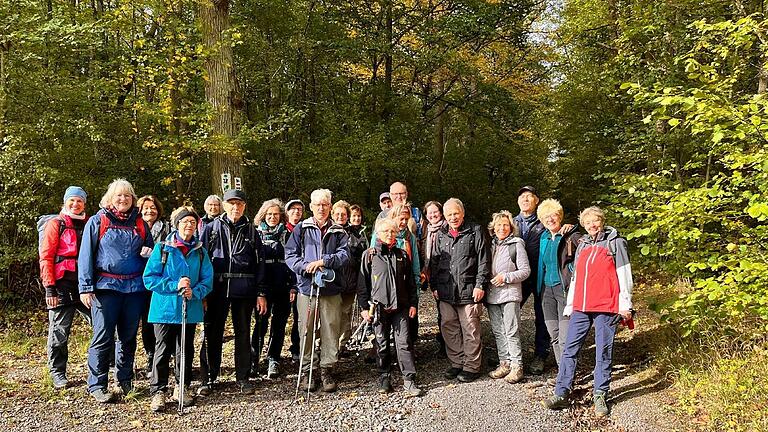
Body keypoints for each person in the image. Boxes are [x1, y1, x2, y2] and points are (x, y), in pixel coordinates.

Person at [543, 207, 633, 418]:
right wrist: (570, 304)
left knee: (603, 350)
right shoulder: (582, 244)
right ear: (584, 224)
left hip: (607, 306)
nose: (592, 225)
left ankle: (600, 393)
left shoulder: (615, 242)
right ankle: (561, 392)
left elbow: (624, 273)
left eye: (596, 221)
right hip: (582, 306)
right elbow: (576, 278)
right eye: (588, 222)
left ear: (602, 221)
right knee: (570, 348)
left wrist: (625, 304)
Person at [78, 179, 154, 403]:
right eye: (118, 196)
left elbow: (150, 254)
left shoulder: (140, 224)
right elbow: (85, 257)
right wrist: (85, 287)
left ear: (133, 200)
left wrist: (148, 253)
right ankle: (97, 384)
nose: (123, 199)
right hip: (105, 288)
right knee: (103, 337)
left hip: (134, 289)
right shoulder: (97, 221)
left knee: (128, 337)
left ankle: (125, 380)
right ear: (110, 199)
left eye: (127, 196)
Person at [144, 207, 213, 412]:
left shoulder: (201, 252)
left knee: (185, 350)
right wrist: (175, 285)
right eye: (185, 222)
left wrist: (196, 291)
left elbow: (207, 280)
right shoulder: (162, 248)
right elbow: (149, 279)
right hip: (164, 309)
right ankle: (158, 391)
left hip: (189, 309)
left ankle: (182, 386)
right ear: (177, 224)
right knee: (162, 350)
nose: (189, 225)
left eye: (193, 222)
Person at [198, 189, 267, 395]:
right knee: (212, 333)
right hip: (216, 290)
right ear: (224, 205)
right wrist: (202, 292)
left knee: (243, 333)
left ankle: (243, 377)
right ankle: (208, 377)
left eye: (239, 204)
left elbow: (260, 264)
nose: (235, 207)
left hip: (244, 290)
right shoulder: (211, 229)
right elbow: (201, 261)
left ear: (244, 206)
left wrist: (261, 292)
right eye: (231, 203)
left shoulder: (252, 232)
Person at [285, 189, 349, 393]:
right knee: (306, 329)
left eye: (325, 204)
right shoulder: (301, 229)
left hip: (331, 288)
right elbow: (290, 255)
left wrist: (324, 261)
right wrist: (306, 266)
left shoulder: (339, 230)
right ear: (311, 206)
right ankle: (307, 370)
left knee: (331, 327)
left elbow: (345, 255)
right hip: (307, 288)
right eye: (317, 204)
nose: (321, 208)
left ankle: (326, 368)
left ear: (330, 207)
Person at [358, 218, 424, 397]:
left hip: (401, 307)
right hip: (378, 308)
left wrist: (413, 303)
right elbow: (363, 284)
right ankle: (384, 376)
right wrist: (364, 307)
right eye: (386, 231)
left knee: (404, 343)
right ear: (378, 234)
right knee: (382, 343)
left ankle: (409, 379)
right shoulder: (369, 255)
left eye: (392, 231)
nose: (389, 234)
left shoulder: (402, 254)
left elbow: (411, 282)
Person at [429, 198, 490, 383]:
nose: (453, 217)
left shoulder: (476, 230)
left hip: (469, 289)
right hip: (446, 290)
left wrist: (481, 284)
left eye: (456, 213)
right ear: (445, 217)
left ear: (462, 213)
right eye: (449, 215)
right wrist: (434, 286)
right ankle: (457, 362)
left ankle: (472, 366)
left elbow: (484, 260)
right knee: (449, 327)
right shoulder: (441, 234)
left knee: (470, 328)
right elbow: (434, 262)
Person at [40, 186, 91, 389]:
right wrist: (49, 288)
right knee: (59, 331)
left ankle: (106, 365)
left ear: (84, 204)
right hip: (61, 284)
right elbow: (46, 256)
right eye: (72, 200)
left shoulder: (89, 224)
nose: (75, 204)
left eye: (79, 201)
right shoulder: (56, 224)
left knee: (102, 325)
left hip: (85, 284)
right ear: (65, 202)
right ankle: (57, 372)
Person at [250, 198, 295, 379]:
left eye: (276, 214)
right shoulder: (256, 234)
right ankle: (254, 359)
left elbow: (294, 260)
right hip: (263, 286)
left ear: (281, 216)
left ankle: (273, 358)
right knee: (260, 323)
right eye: (269, 214)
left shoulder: (288, 234)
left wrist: (293, 285)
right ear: (263, 215)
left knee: (279, 324)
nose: (273, 217)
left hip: (283, 285)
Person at [486, 211, 530, 384]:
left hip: (510, 293)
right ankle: (504, 363)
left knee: (511, 330)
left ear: (511, 227)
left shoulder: (516, 244)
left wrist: (506, 277)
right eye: (499, 225)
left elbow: (526, 271)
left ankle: (517, 366)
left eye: (505, 225)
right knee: (498, 331)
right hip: (492, 295)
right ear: (493, 228)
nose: (502, 228)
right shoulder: (490, 245)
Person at [536, 199, 581, 367]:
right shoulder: (544, 237)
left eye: (553, 215)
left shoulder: (571, 236)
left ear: (560, 216)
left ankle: (569, 375)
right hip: (547, 291)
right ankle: (562, 373)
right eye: (546, 216)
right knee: (553, 334)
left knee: (565, 337)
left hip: (565, 291)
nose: (550, 219)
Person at [513, 186, 550, 374]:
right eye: (522, 197)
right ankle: (509, 353)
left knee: (542, 314)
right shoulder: (511, 223)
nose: (525, 199)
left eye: (529, 196)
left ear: (537, 200)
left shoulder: (545, 221)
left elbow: (559, 233)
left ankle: (541, 354)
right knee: (510, 313)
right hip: (518, 276)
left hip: (539, 274)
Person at [137, 195, 171, 378]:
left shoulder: (167, 228)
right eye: (146, 208)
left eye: (153, 208)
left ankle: (164, 356)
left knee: (161, 321)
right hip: (138, 280)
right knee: (146, 320)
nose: (150, 211)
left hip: (161, 280)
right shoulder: (135, 227)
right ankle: (151, 355)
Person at [331, 200, 357, 354]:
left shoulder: (355, 233)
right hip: (333, 281)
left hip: (350, 280)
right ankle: (325, 344)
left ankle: (342, 344)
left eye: (344, 214)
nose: (340, 216)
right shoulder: (329, 232)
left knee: (345, 313)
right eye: (337, 214)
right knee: (331, 315)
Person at [421, 200, 447, 354]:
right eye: (429, 213)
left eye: (435, 212)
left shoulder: (446, 228)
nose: (432, 215)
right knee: (440, 310)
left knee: (446, 312)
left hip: (444, 276)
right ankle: (444, 341)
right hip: (432, 274)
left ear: (441, 213)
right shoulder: (428, 230)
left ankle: (447, 346)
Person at [284, 198, 305, 361]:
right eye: (293, 209)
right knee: (281, 317)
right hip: (281, 280)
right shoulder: (281, 230)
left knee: (300, 317)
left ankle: (297, 348)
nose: (296, 212)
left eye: (299, 209)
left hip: (300, 280)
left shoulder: (305, 229)